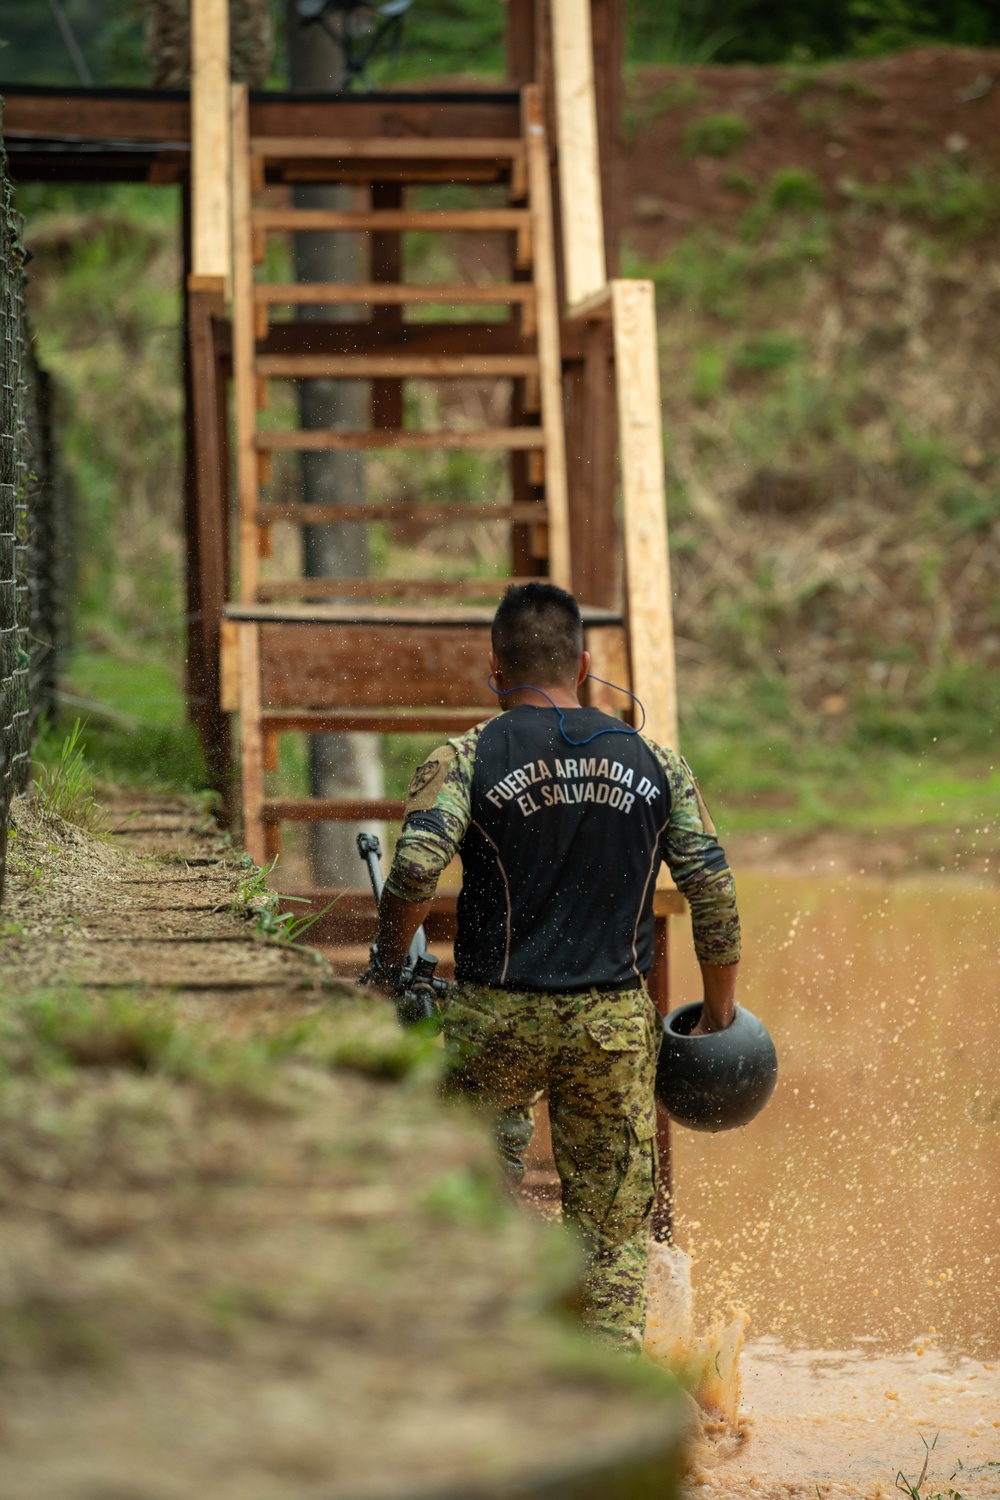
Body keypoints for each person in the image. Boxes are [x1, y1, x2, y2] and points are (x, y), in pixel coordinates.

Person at [366, 582, 741, 1351]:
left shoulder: (468, 755)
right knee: (609, 1236)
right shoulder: (657, 763)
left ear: (494, 666)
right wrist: (719, 1015)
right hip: (611, 1026)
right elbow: (714, 889)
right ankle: (606, 1403)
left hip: (495, 1016)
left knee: (478, 1198)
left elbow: (410, 873)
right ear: (587, 662)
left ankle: (496, 1370)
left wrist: (384, 965)